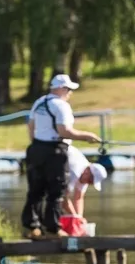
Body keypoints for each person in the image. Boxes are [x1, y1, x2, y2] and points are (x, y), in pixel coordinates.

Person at [21, 74, 101, 239]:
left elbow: (31, 127)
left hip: (35, 148)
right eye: (69, 89)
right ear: (62, 89)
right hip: (55, 151)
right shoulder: (61, 106)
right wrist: (87, 136)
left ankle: (32, 227)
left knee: (35, 190)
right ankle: (53, 228)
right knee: (56, 190)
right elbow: (64, 131)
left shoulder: (38, 102)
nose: (70, 93)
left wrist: (37, 144)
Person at [63, 145, 109, 219]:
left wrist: (79, 217)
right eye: (90, 180)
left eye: (91, 182)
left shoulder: (85, 171)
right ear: (88, 171)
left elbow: (79, 198)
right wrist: (75, 217)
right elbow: (63, 198)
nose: (88, 183)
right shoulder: (75, 172)